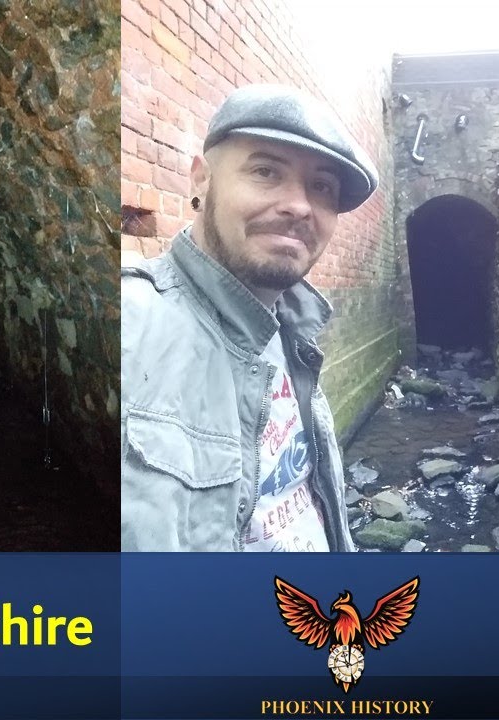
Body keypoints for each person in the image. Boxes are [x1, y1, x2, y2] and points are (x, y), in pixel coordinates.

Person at [120, 85, 379, 551]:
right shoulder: (132, 324)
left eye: (321, 186)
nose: (300, 205)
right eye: (265, 171)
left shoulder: (295, 329)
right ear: (201, 180)